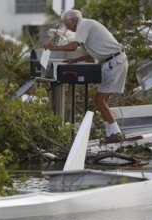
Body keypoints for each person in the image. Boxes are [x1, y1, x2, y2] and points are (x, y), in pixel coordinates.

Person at [44, 9, 128, 142]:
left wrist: (53, 48)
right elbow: (96, 50)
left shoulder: (83, 25)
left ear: (73, 20)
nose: (66, 27)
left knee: (99, 100)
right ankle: (111, 133)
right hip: (116, 60)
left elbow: (73, 46)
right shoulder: (88, 24)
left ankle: (116, 134)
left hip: (114, 62)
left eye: (67, 24)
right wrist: (76, 60)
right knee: (103, 100)